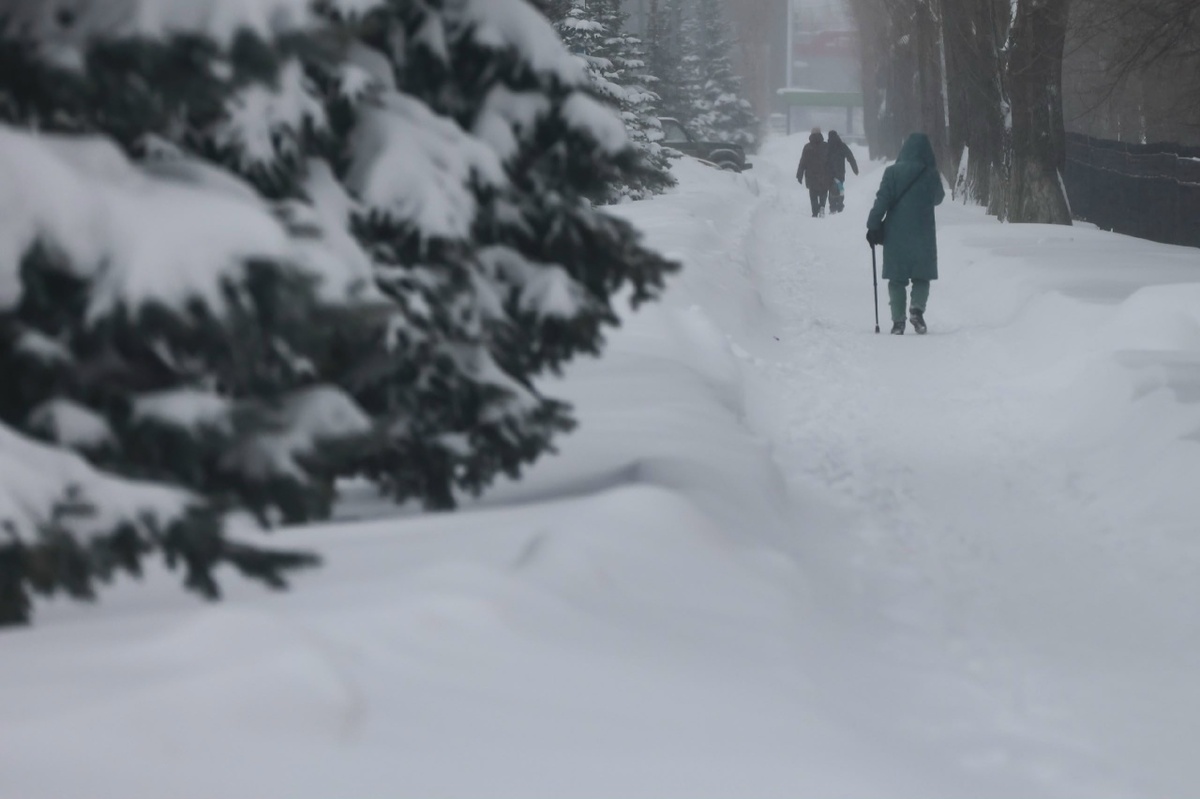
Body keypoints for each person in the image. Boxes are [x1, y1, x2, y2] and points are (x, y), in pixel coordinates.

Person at [865, 132, 944, 335]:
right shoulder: (931, 174)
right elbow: (938, 199)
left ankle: (898, 321)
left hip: (896, 234)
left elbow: (881, 200)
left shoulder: (891, 173)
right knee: (921, 276)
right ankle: (916, 310)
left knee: (897, 279)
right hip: (923, 234)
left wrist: (873, 225)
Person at [795, 127, 832, 218]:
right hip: (824, 174)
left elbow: (803, 162)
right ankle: (822, 207)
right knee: (823, 192)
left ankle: (815, 212)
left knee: (813, 194)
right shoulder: (826, 146)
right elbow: (831, 161)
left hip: (811, 175)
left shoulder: (807, 147)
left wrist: (799, 175)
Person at [825, 130, 859, 213]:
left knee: (831, 189)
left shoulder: (827, 146)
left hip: (830, 173)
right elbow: (850, 157)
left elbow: (822, 160)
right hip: (840, 172)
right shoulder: (842, 146)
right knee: (840, 188)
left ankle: (832, 207)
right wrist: (855, 169)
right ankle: (840, 205)